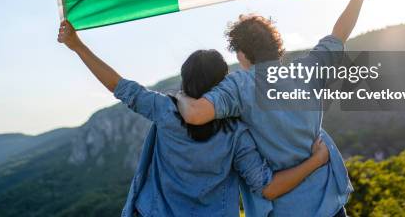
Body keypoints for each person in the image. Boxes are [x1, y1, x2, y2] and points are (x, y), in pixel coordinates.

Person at [58, 22, 331, 217]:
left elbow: (118, 85)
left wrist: (77, 46)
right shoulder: (238, 133)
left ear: (185, 78)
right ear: (222, 84)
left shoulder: (166, 110)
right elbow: (267, 187)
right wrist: (316, 160)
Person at [176, 0, 377, 217]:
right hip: (331, 209)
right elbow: (339, 35)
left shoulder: (241, 86)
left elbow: (195, 115)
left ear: (241, 53)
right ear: (275, 45)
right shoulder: (307, 70)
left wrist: (181, 95)